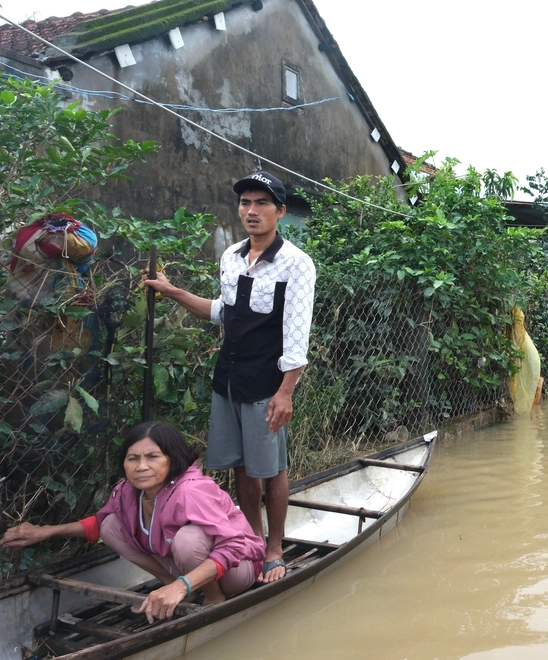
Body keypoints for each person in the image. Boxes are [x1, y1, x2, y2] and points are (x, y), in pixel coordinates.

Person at [144, 170, 316, 583]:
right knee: (240, 465)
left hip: (266, 385)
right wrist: (173, 292)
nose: (251, 211)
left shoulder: (296, 263)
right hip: (229, 380)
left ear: (280, 211)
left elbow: (296, 335)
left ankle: (274, 548)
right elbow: (222, 311)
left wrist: (285, 392)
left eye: (261, 203)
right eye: (245, 203)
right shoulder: (232, 256)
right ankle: (252, 542)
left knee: (271, 468)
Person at [0, 422, 264, 622]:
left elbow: (232, 546)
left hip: (237, 571)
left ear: (173, 459)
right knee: (110, 525)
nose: (141, 467)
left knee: (189, 539)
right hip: (187, 567)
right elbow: (97, 524)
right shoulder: (127, 491)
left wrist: (181, 585)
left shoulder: (190, 491)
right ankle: (177, 586)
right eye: (133, 458)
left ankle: (212, 598)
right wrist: (45, 531)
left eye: (153, 457)